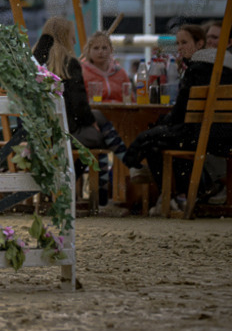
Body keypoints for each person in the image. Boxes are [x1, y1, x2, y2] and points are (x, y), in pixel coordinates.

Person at [123, 43, 232, 214]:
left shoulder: (198, 69)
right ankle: (184, 194)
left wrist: (162, 126)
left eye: (184, 42)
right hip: (225, 137)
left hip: (200, 136)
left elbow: (180, 113)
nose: (180, 47)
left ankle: (172, 195)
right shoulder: (223, 69)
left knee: (154, 142)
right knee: (158, 140)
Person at [33, 17, 129, 210]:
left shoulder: (35, 62)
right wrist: (89, 121)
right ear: (63, 37)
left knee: (99, 121)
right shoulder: (69, 64)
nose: (75, 41)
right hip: (65, 135)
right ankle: (127, 168)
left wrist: (90, 119)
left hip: (40, 134)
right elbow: (79, 104)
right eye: (72, 37)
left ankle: (84, 189)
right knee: (102, 137)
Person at [80, 30, 131, 103]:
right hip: (94, 109)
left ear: (111, 50)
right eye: (96, 48)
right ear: (88, 51)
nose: (100, 52)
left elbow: (131, 100)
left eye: (104, 48)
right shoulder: (82, 73)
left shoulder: (120, 72)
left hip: (119, 109)